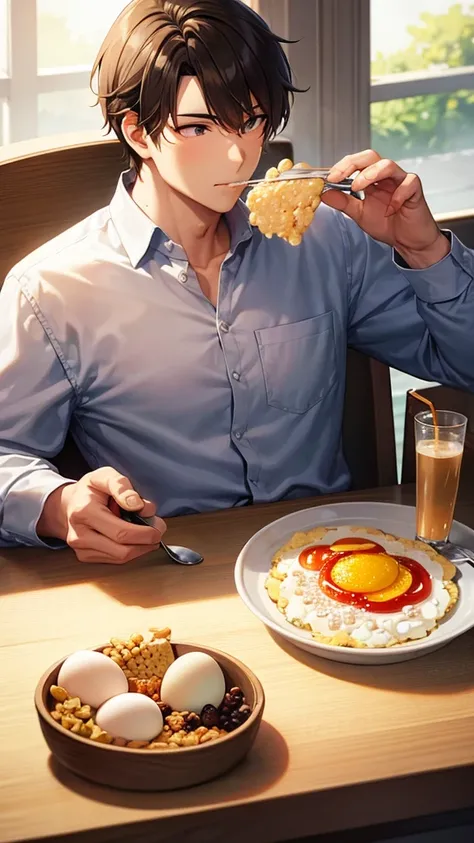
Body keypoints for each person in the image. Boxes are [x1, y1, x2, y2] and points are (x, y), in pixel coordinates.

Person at [0, 0, 473, 564]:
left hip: (337, 562)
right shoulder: (50, 289)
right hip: (169, 570)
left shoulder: (326, 240)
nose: (236, 151)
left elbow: (464, 364)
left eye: (250, 122)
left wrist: (424, 248)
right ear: (139, 132)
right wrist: (57, 504)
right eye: (198, 127)